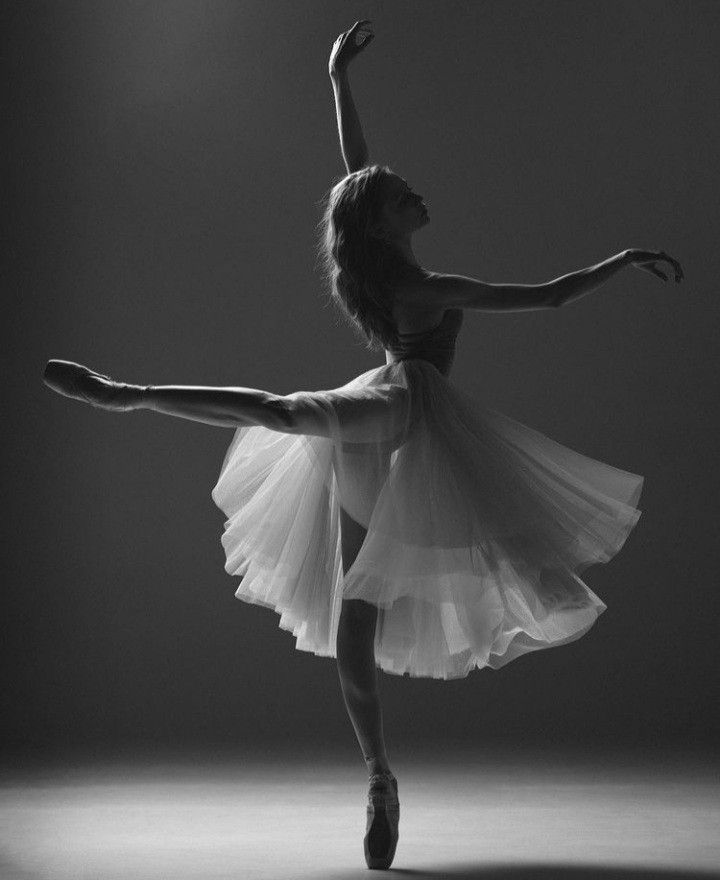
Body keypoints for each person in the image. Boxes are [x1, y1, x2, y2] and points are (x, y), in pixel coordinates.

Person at [42, 20, 684, 871]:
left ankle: (379, 772)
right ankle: (130, 396)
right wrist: (624, 257)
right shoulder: (420, 284)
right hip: (403, 408)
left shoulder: (382, 267)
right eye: (403, 197)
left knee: (349, 594)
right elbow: (551, 298)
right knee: (294, 441)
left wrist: (337, 78)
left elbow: (358, 171)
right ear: (383, 226)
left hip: (384, 417)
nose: (418, 194)